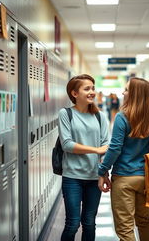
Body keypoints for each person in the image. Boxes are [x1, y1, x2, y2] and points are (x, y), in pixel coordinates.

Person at [98, 77, 149, 241]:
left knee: (125, 229)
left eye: (126, 89)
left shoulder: (122, 117)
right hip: (145, 178)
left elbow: (115, 148)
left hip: (124, 178)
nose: (123, 92)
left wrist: (102, 171)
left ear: (134, 94)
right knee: (145, 222)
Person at [58, 74, 109, 241]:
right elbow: (67, 144)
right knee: (72, 223)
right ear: (74, 93)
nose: (92, 92)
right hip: (72, 177)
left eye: (93, 88)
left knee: (89, 223)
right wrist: (95, 150)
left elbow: (106, 147)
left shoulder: (100, 116)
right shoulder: (65, 114)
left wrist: (103, 174)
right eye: (87, 89)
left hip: (94, 177)